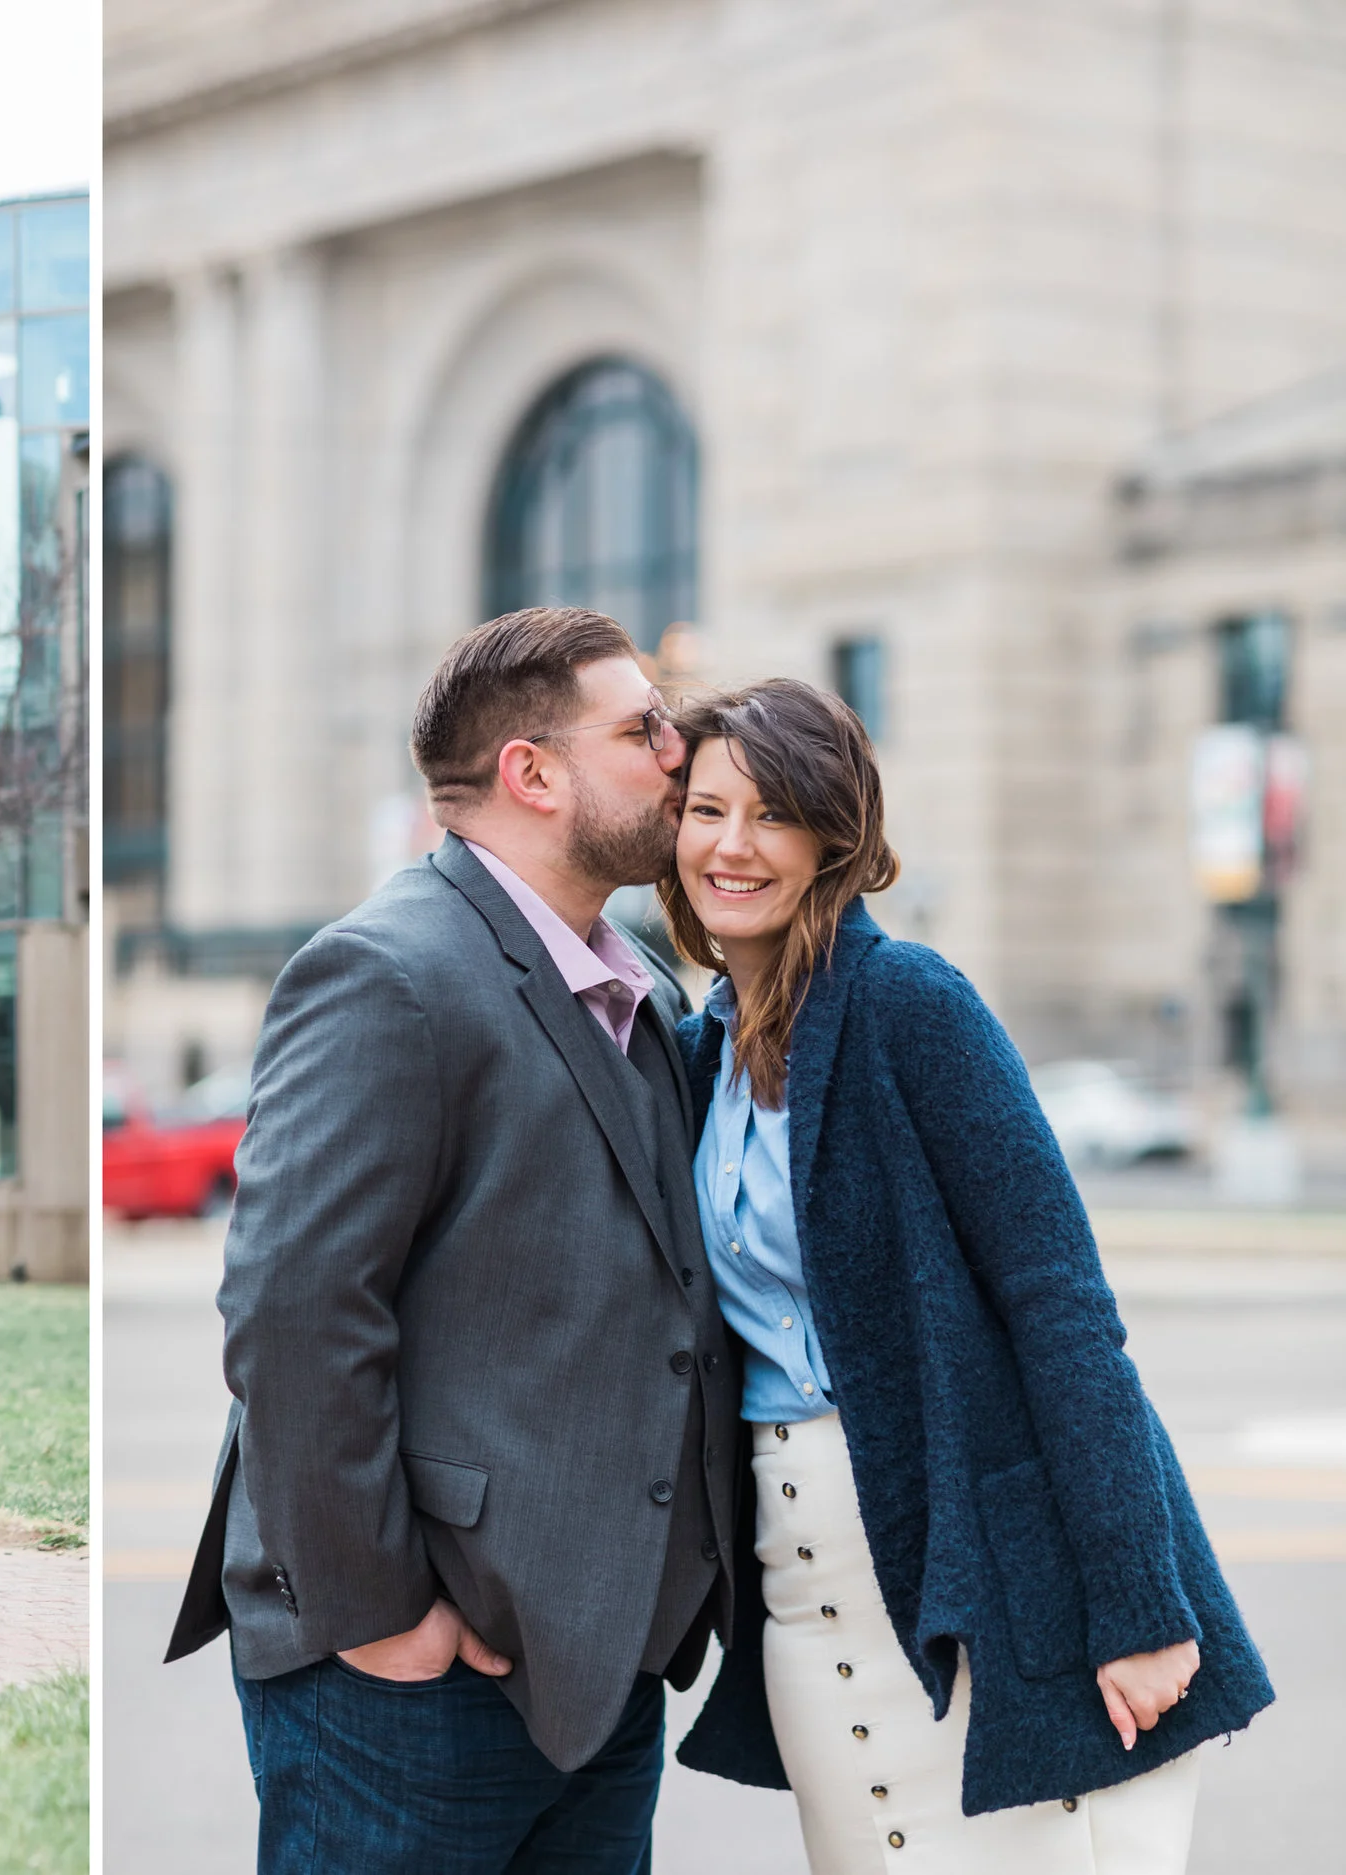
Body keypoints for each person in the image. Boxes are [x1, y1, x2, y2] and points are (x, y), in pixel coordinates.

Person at [166, 607, 744, 1873]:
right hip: (408, 1688)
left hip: (596, 1664)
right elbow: (293, 1315)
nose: (680, 751)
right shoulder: (386, 973)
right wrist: (383, 1621)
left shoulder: (639, 985)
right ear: (532, 773)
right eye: (643, 729)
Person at [661, 680, 1274, 1872]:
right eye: (706, 810)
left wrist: (1137, 1602)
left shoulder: (907, 1005)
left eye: (772, 813)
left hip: (987, 1577)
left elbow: (1061, 1308)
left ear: (832, 839)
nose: (731, 845)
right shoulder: (695, 1055)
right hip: (803, 1593)